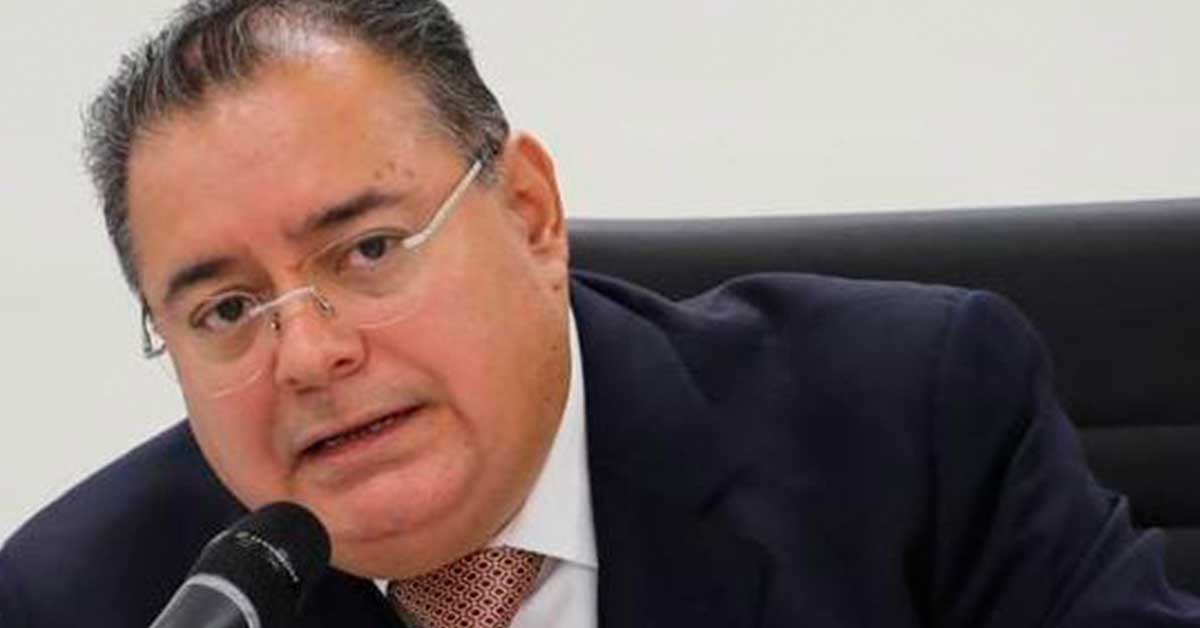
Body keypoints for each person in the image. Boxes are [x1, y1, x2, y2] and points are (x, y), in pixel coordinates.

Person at [1, 1, 1197, 626]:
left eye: (368, 250)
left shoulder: (912, 427)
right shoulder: (93, 599)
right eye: (226, 307)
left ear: (529, 214)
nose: (308, 352)